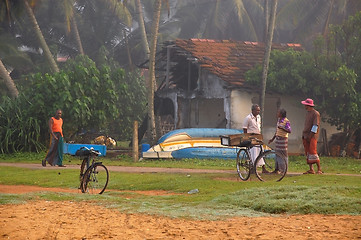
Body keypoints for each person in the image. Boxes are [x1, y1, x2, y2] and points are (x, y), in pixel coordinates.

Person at [243, 104, 268, 173]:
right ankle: (253, 167)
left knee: (261, 151)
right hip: (251, 138)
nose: (258, 112)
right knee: (254, 152)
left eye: (259, 110)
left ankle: (263, 168)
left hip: (258, 137)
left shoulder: (259, 117)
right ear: (253, 110)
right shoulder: (248, 118)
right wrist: (247, 137)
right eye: (257, 110)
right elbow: (245, 128)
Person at [301, 98, 322, 174]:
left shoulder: (315, 114)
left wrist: (310, 135)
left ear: (308, 105)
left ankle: (319, 169)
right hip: (305, 135)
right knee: (308, 152)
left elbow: (315, 126)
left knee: (313, 151)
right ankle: (311, 169)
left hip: (312, 136)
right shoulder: (308, 113)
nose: (304, 106)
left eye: (305, 105)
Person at [268, 109, 291, 173]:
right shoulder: (278, 120)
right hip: (278, 140)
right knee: (277, 154)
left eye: (278, 113)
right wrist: (272, 139)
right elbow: (277, 131)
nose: (277, 113)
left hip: (283, 140)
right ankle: (277, 169)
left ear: (281, 114)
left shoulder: (286, 121)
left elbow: (289, 131)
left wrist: (282, 128)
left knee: (283, 154)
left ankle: (284, 170)